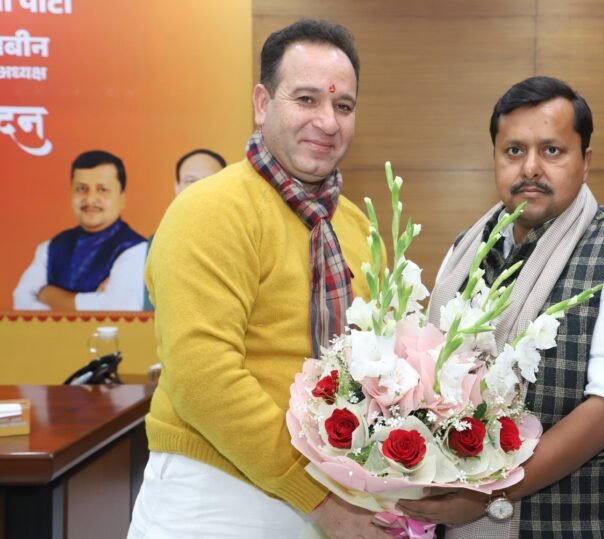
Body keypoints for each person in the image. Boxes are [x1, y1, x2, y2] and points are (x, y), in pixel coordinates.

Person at [128, 19, 389, 539]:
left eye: (343, 106)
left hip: (331, 493)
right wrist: (317, 498)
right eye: (307, 99)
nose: (327, 121)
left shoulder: (356, 227)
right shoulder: (210, 210)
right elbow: (204, 378)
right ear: (262, 104)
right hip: (214, 493)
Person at [398, 76, 604, 538]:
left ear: (585, 162)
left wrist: (487, 494)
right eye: (514, 151)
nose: (530, 168)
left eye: (552, 150)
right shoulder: (464, 251)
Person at [13, 150, 147, 311]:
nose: (90, 199)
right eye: (81, 189)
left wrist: (46, 293)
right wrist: (92, 301)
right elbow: (22, 301)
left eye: (102, 190)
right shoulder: (51, 247)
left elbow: (116, 309)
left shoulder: (137, 250)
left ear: (122, 198)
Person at [141, 148, 226, 310]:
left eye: (211, 180)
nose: (199, 189)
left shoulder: (246, 241)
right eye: (190, 181)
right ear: (177, 187)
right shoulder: (151, 246)